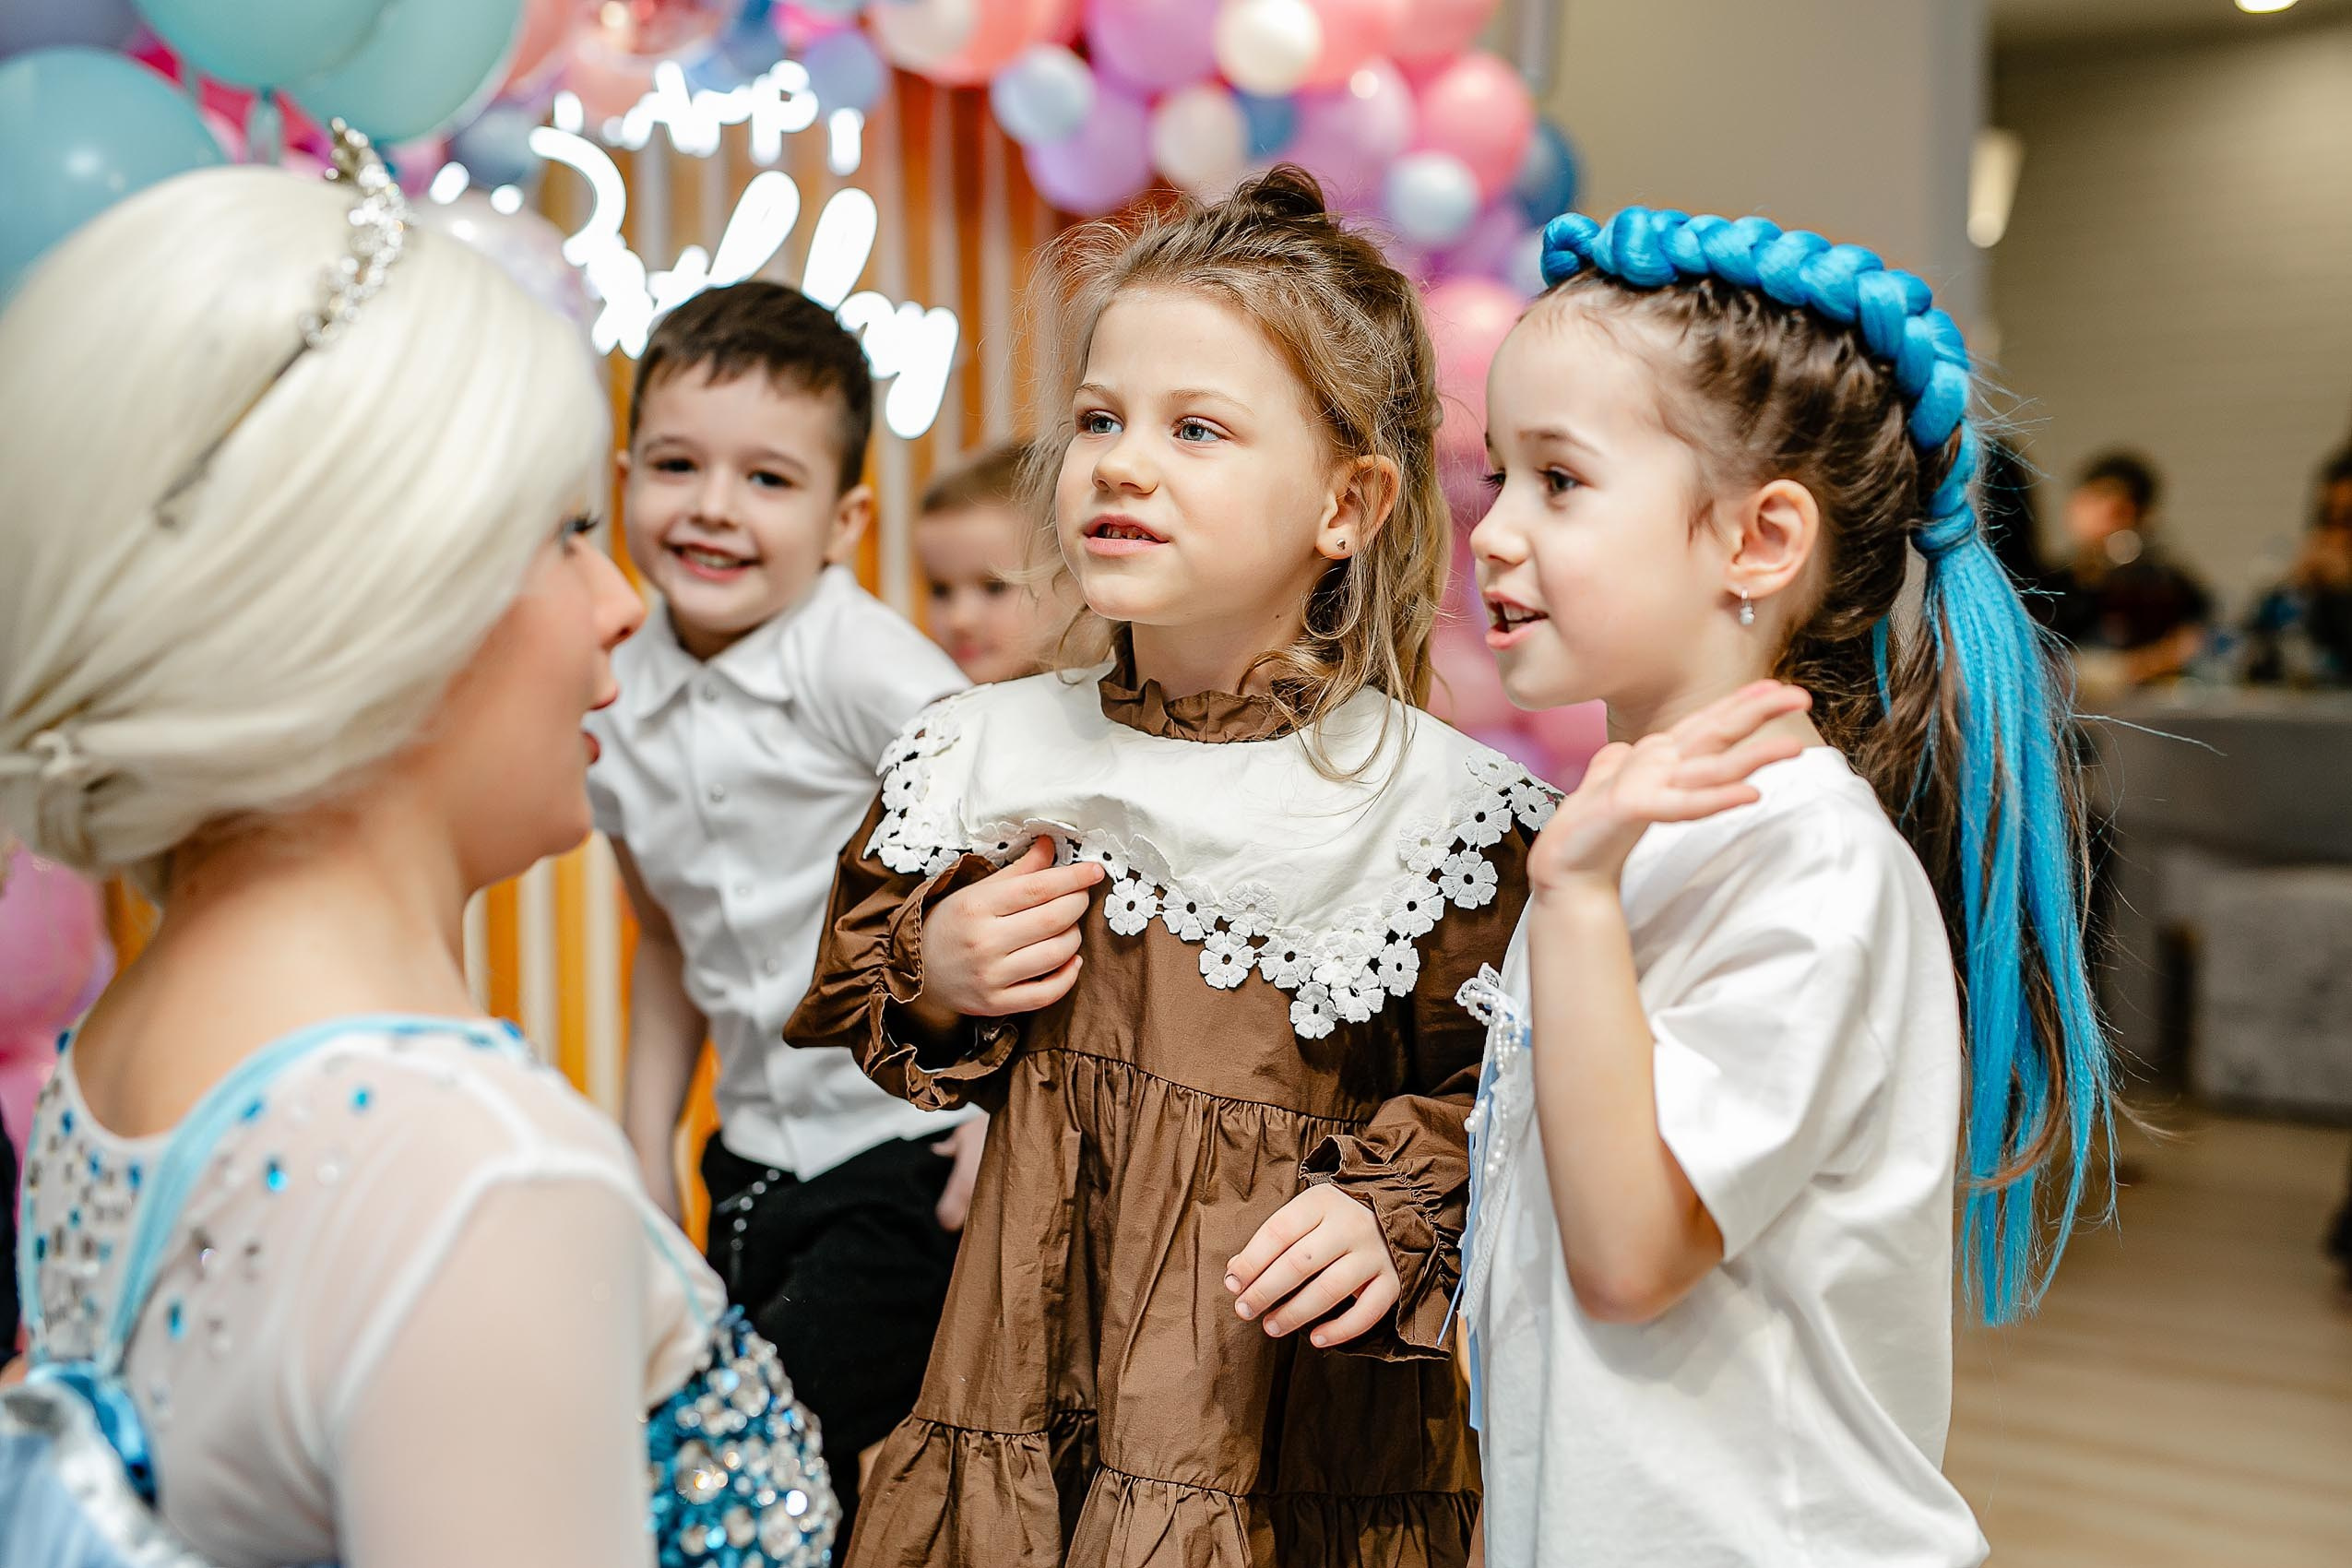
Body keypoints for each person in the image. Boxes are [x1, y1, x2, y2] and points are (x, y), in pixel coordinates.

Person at [0, 146, 836, 1566]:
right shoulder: (478, 1181)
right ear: (384, 592)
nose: (620, 602)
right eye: (568, 533)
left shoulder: (122, 1054)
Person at [789, 166, 1549, 1568]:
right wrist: (942, 968)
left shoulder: (1434, 813)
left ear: (1347, 504)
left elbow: (1512, 1095)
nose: (1119, 463)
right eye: (1097, 420)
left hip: (1275, 1432)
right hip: (1021, 1384)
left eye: (1195, 428)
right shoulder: (990, 752)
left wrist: (1395, 1205)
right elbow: (867, 985)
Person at [1457, 210, 2114, 1566]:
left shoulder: (1804, 860)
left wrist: (1573, 901)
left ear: (1758, 542)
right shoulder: (1640, 833)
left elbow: (1630, 1256)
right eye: (1496, 473)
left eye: (1559, 482)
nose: (1494, 533)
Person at [587, 279, 976, 1541]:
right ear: (625, 471)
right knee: (761, 1461)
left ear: (844, 517)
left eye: (767, 479)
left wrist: (1002, 1108)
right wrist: (644, 1147)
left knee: (759, 1451)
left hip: (895, 1149)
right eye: (677, 464)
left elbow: (1029, 843)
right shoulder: (613, 689)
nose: (711, 506)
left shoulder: (863, 668)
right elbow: (666, 940)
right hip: (747, 1156)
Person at [2038, 449, 2211, 688]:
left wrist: (2148, 664)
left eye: (2116, 510)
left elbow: (2195, 640)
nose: (2095, 515)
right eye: (2090, 501)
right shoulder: (2052, 583)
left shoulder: (2165, 585)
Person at [914, 440, 1078, 683]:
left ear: (1074, 580)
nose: (960, 619)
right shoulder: (939, 711)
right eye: (940, 590)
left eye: (994, 587)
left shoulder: (1105, 709)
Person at [2242, 443, 2352, 684]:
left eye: (2348, 521)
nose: (2335, 536)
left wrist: (2345, 592)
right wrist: (2289, 592)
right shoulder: (2309, 592)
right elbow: (2251, 658)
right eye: (2327, 519)